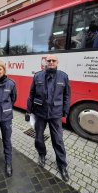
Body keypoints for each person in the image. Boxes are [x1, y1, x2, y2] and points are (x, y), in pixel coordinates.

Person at [26, 54, 70, 182]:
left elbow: (67, 95)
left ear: (57, 62)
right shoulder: (38, 76)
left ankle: (62, 166)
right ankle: (41, 154)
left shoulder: (63, 76)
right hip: (40, 112)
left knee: (58, 140)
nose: (51, 62)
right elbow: (32, 94)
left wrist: (65, 111)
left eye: (53, 60)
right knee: (39, 137)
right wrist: (29, 110)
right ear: (45, 62)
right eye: (48, 60)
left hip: (55, 114)